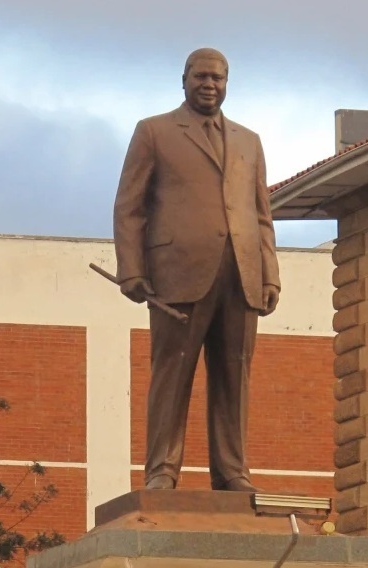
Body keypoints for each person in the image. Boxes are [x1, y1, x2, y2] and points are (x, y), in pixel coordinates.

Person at [112, 47, 280, 492]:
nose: (209, 85)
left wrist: (270, 274)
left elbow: (261, 214)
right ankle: (162, 470)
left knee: (234, 374)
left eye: (217, 78)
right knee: (173, 372)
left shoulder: (249, 141)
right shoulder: (154, 131)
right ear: (184, 80)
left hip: (241, 275)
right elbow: (129, 205)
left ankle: (232, 471)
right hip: (177, 274)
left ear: (227, 84)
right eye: (201, 77)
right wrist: (131, 268)